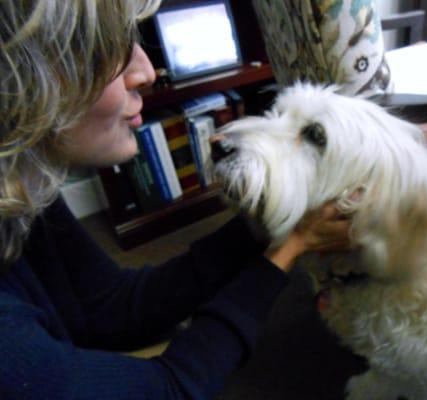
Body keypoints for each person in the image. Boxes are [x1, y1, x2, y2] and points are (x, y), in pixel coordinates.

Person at [0, 1, 351, 399]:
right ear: (19, 79)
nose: (147, 72)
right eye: (105, 51)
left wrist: (260, 224)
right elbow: (168, 391)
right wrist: (285, 252)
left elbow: (116, 308)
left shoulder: (20, 186)